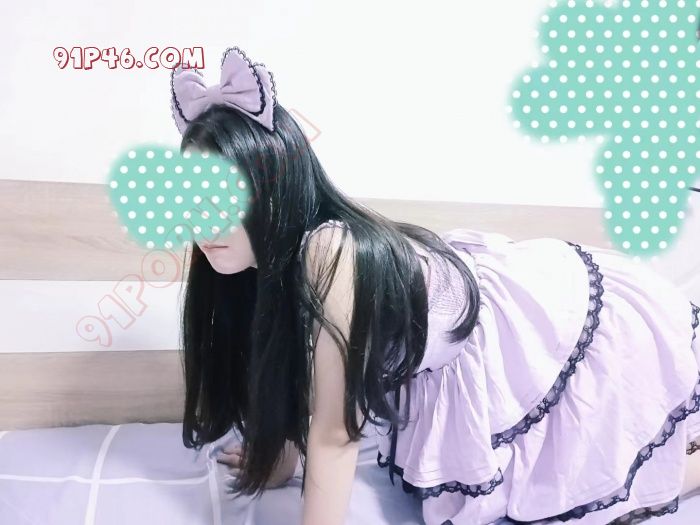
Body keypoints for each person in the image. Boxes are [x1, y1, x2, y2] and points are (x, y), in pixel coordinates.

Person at [170, 46, 700, 525]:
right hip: (473, 323)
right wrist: (278, 458)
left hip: (551, 318)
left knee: (593, 485)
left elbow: (335, 435)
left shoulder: (329, 251)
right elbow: (289, 367)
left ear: (275, 189)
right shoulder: (266, 267)